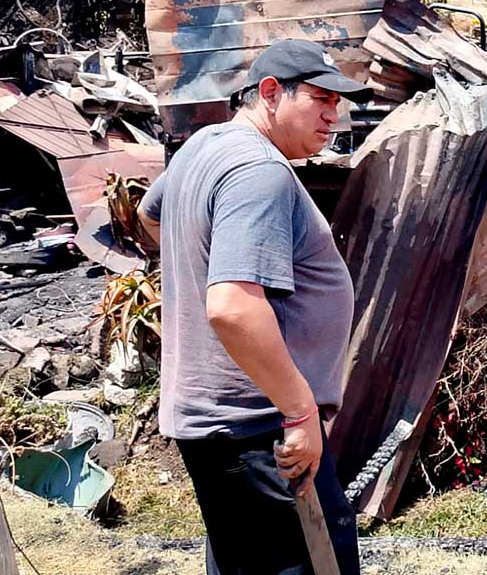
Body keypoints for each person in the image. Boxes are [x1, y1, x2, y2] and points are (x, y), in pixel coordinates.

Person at [137, 39, 371, 575]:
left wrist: (193, 265)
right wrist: (300, 410)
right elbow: (234, 309)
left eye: (338, 103)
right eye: (319, 99)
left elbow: (152, 215)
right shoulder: (257, 170)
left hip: (217, 422)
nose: (333, 116)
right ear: (270, 93)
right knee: (312, 563)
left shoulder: (204, 146)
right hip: (261, 428)